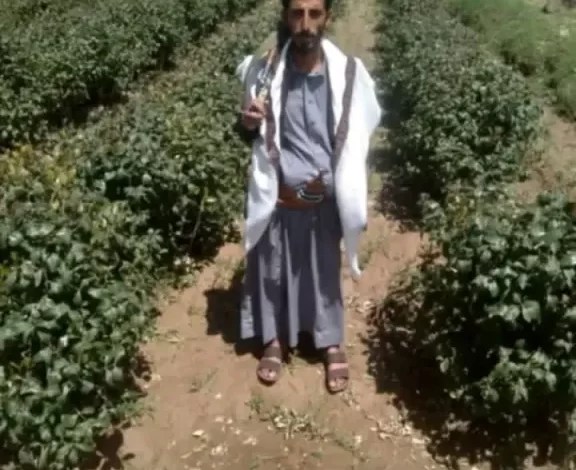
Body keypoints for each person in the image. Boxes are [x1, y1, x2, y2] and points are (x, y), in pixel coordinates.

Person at [234, 0, 381, 393]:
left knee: (323, 270)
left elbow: (363, 127)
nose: (305, 23)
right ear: (286, 17)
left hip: (322, 199)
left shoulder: (347, 74)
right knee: (272, 267)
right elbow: (248, 129)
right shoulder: (265, 70)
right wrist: (248, 121)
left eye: (314, 14)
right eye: (297, 13)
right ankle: (273, 338)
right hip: (279, 196)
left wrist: (342, 178)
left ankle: (330, 340)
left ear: (326, 17)